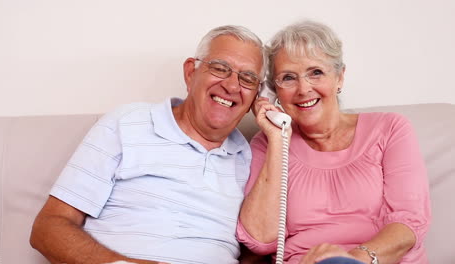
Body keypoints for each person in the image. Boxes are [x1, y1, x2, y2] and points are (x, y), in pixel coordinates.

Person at [30, 25, 267, 264]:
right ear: (190, 72)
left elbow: (254, 250)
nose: (232, 86)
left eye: (248, 78)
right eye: (220, 68)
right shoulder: (127, 123)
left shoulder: (249, 156)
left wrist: (277, 136)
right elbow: (48, 228)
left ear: (257, 96)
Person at [236, 20, 431, 264]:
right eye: (288, 78)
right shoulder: (267, 143)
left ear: (339, 77)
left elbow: (408, 223)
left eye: (315, 72)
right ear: (274, 92)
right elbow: (260, 239)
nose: (303, 89)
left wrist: (351, 260)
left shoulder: (390, 129)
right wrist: (277, 141)